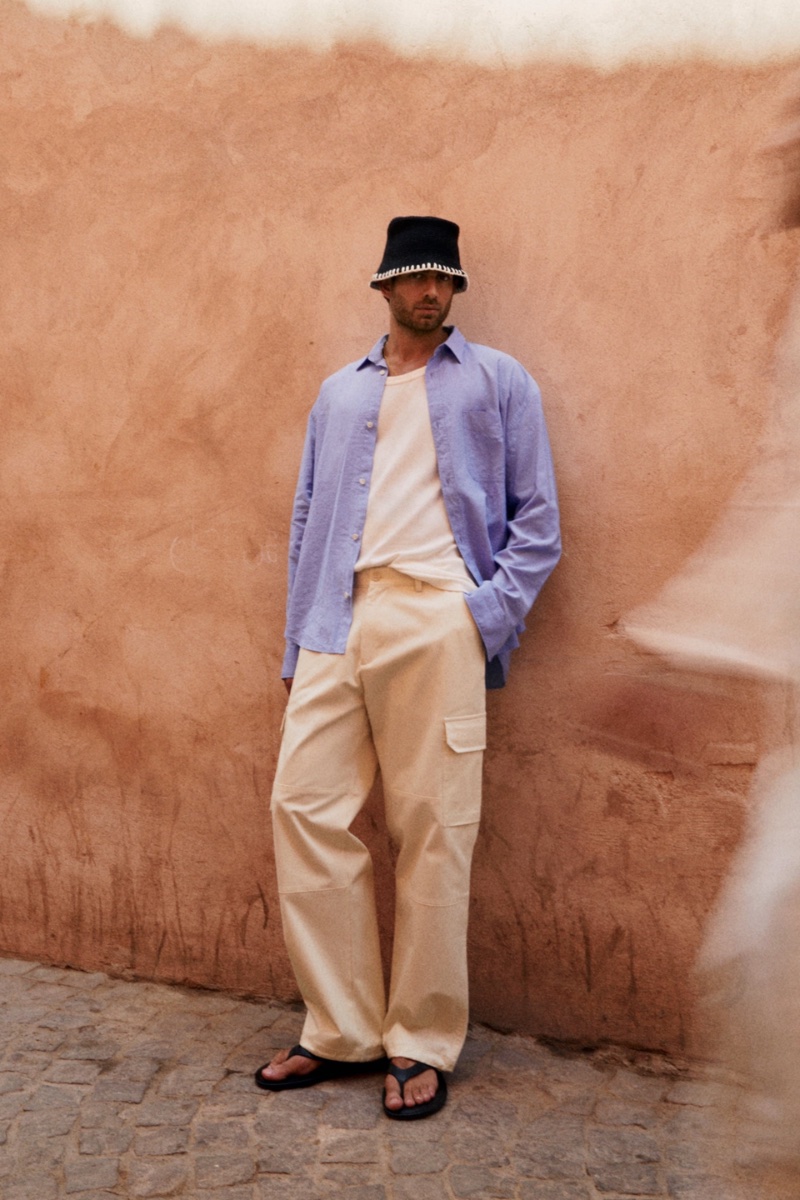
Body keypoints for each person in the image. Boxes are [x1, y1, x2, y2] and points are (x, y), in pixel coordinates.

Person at [255, 216, 561, 1119]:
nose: (431, 292)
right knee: (302, 807)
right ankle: (339, 1026)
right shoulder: (337, 395)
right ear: (385, 287)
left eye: (445, 280)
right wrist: (295, 640)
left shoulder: (499, 381)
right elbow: (309, 519)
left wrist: (478, 620)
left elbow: (537, 522)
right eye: (416, 278)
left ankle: (420, 1040)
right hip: (333, 621)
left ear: (454, 290)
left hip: (437, 617)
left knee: (434, 827)